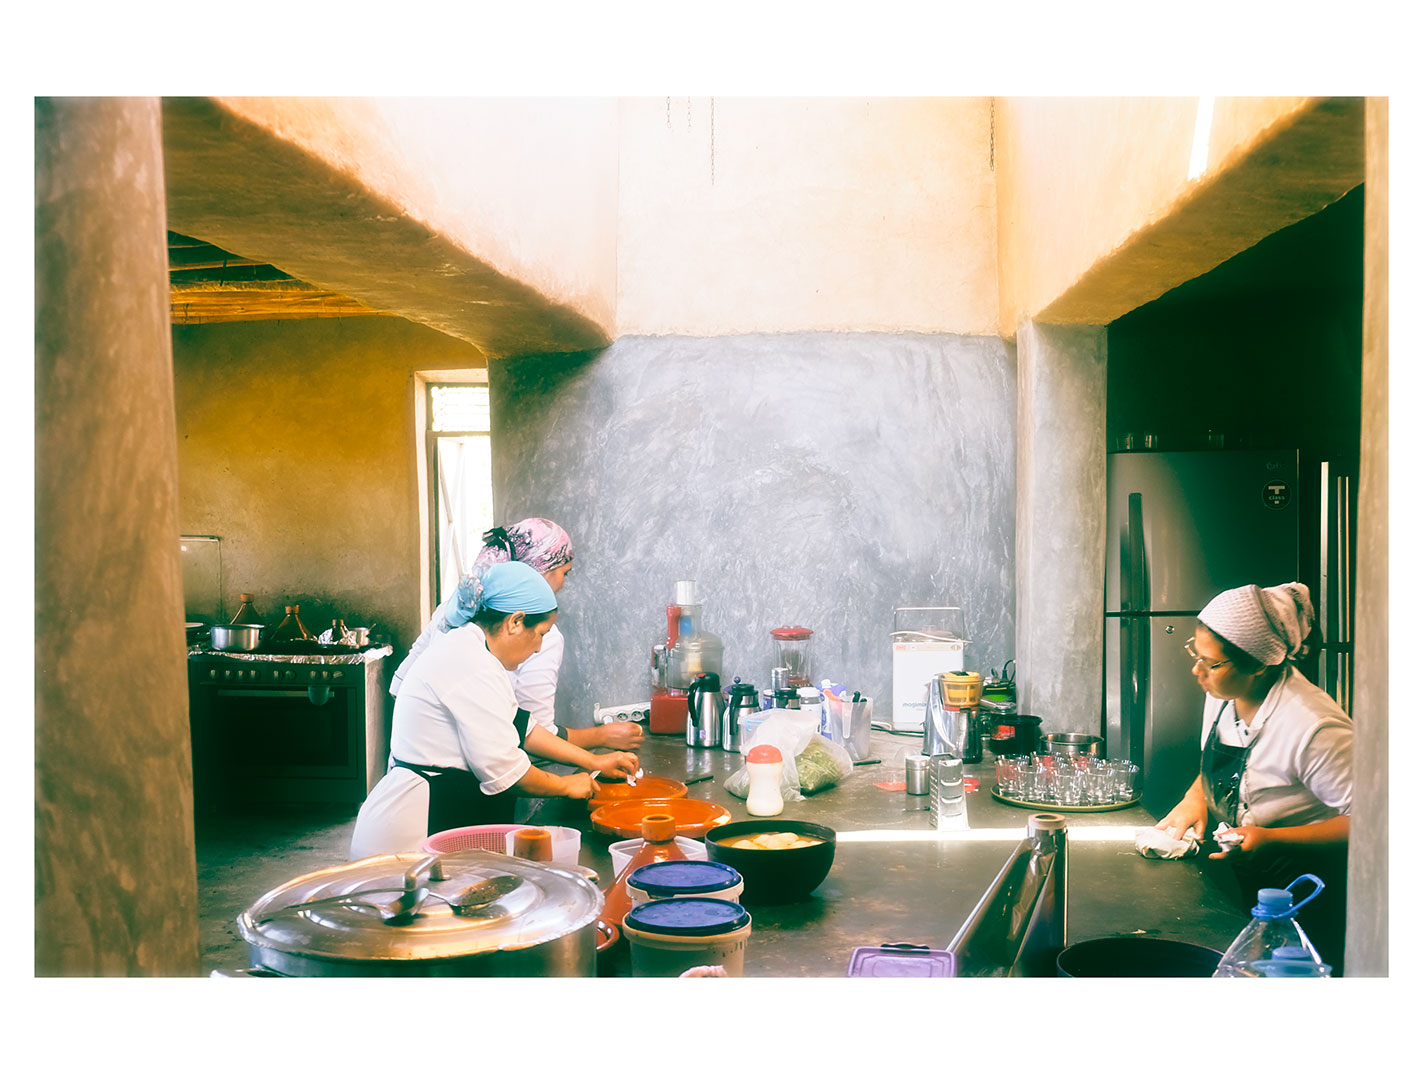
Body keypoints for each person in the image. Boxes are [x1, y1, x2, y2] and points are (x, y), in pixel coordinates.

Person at [350, 560, 639, 859]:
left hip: (440, 815)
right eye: (540, 633)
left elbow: (524, 730)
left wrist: (595, 761)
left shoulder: (478, 653)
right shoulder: (469, 663)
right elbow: (507, 772)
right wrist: (567, 785)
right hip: (415, 831)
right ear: (515, 622)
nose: (539, 647)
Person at [1155, 581, 1353, 972]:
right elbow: (1228, 763)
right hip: (1248, 881)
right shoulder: (1222, 693)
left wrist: (1272, 839)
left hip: (1308, 891)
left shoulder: (1313, 727)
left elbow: (1379, 825)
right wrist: (1195, 797)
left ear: (1259, 665)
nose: (1197, 671)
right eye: (1196, 653)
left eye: (1211, 663)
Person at [391, 517, 643, 752]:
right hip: (470, 782)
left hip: (412, 765)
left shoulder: (454, 608)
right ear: (541, 569)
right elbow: (533, 734)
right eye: (564, 573)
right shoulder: (539, 635)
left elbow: (401, 686)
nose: (564, 584)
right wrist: (602, 737)